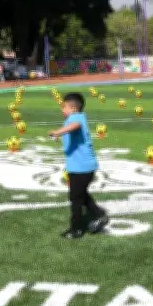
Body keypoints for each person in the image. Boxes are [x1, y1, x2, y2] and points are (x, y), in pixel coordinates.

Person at [48, 93, 108, 239]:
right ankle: (99, 216)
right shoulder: (73, 118)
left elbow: (75, 126)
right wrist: (60, 136)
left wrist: (57, 132)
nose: (62, 110)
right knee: (81, 195)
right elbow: (72, 132)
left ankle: (76, 229)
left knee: (75, 198)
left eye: (64, 107)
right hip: (81, 167)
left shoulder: (76, 118)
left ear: (73, 108)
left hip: (81, 168)